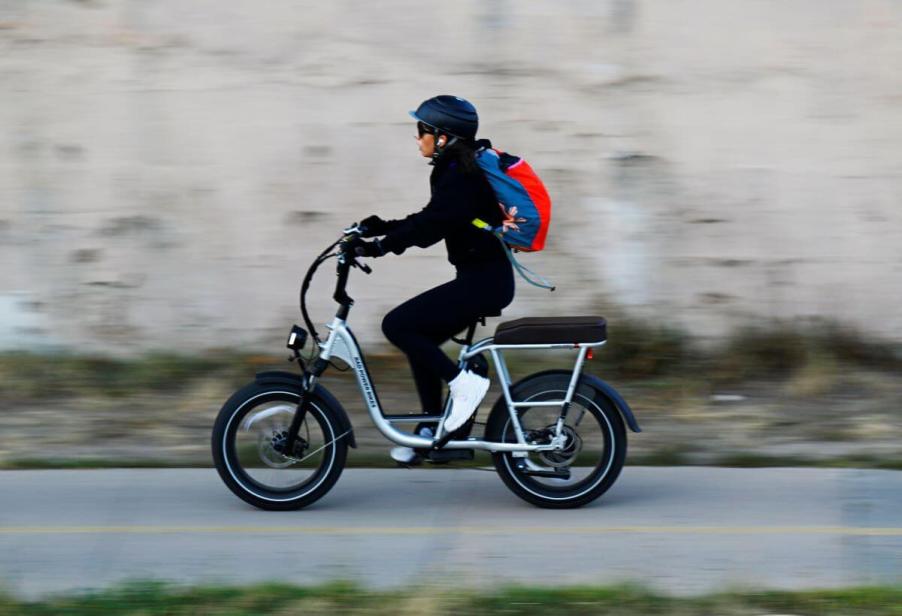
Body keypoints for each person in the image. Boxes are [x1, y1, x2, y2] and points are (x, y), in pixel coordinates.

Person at [348, 95, 515, 464]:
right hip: (482, 278)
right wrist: (382, 228)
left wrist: (380, 247)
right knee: (419, 337)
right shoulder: (458, 169)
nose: (417, 137)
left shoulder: (459, 173)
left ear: (443, 136)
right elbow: (434, 218)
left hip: (484, 282)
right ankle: (434, 430)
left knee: (398, 325)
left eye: (422, 130)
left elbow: (432, 226)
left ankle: (464, 386)